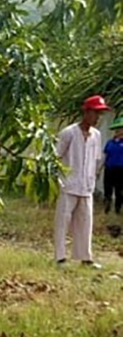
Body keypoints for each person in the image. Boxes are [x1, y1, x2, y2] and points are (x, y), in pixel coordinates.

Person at [54, 95, 110, 267]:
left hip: (86, 186)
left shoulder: (96, 135)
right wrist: (58, 180)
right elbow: (56, 156)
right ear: (86, 112)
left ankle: (86, 257)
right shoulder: (69, 133)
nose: (97, 118)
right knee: (63, 221)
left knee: (86, 222)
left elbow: (96, 160)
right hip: (68, 184)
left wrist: (94, 177)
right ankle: (60, 257)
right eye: (95, 113)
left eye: (99, 114)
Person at [103, 115, 123, 215]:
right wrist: (99, 168)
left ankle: (118, 209)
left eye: (120, 129)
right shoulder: (110, 143)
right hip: (109, 168)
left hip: (121, 170)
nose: (118, 131)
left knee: (119, 191)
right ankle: (107, 207)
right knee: (108, 189)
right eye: (117, 129)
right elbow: (105, 155)